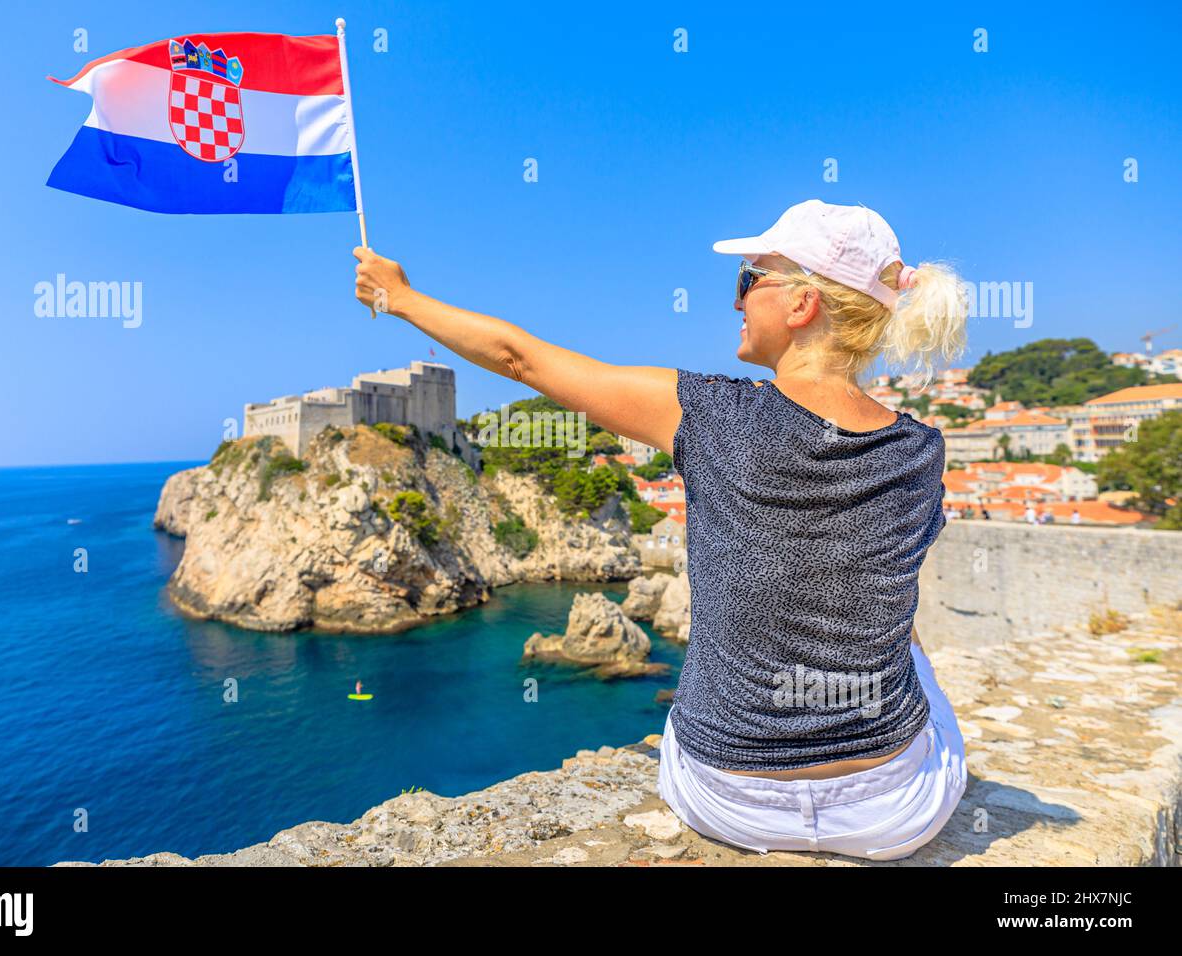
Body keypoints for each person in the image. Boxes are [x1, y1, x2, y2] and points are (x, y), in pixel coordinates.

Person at [352, 198, 969, 861]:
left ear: (799, 305)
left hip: (729, 797)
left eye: (747, 280)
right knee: (910, 654)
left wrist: (401, 297)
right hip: (890, 811)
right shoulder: (922, 449)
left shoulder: (710, 414)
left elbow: (520, 359)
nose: (737, 303)